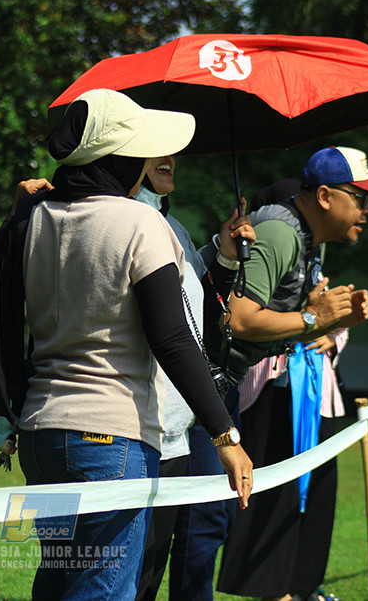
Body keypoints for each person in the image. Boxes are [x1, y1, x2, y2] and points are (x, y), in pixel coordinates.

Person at [17, 88, 253, 601]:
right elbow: (172, 338)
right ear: (118, 158)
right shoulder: (141, 221)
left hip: (41, 432)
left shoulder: (35, 217)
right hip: (110, 437)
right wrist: (226, 436)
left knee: (56, 581)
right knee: (101, 591)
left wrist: (22, 211)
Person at [208, 146, 368, 601]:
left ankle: (295, 591)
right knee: (204, 528)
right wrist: (314, 321)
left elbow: (293, 319)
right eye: (361, 197)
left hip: (248, 388)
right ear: (325, 195)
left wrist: (334, 321)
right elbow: (240, 319)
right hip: (216, 389)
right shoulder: (281, 233)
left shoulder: (309, 242)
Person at [131, 155, 254, 601]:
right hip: (129, 432)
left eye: (174, 149)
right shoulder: (121, 220)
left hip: (176, 431)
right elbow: (170, 335)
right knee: (118, 579)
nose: (170, 158)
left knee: (150, 571)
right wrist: (225, 434)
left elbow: (196, 313)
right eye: (155, 147)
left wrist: (222, 254)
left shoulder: (172, 226)